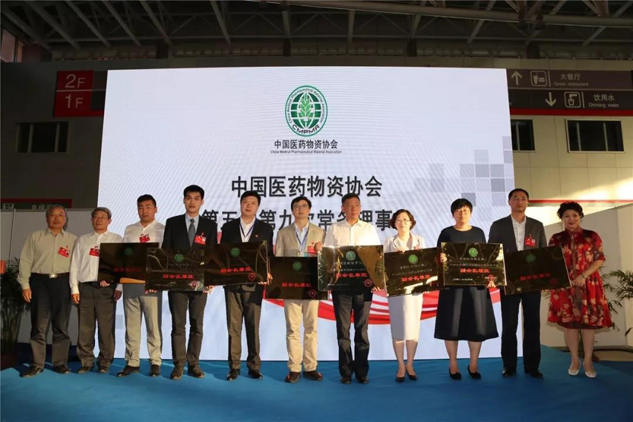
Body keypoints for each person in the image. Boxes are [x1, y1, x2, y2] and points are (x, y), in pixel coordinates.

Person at [434, 198, 498, 380]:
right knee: (451, 325)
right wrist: (441, 259)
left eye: (465, 210)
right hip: (452, 288)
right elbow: (436, 258)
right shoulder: (446, 233)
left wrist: (492, 277)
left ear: (470, 213)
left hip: (475, 288)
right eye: (458, 210)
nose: (462, 213)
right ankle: (453, 363)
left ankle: (474, 364)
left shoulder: (478, 232)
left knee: (476, 325)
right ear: (452, 214)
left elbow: (487, 259)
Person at [548, 201, 611, 379]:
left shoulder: (592, 236)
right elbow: (551, 262)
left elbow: (599, 258)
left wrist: (583, 275)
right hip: (565, 287)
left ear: (580, 217)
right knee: (571, 326)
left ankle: (588, 361)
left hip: (589, 284)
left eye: (575, 215)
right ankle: (574, 360)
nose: (571, 219)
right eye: (567, 216)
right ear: (561, 218)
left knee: (588, 326)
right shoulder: (556, 238)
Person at [323, 193, 381, 385]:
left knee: (362, 330)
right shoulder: (334, 228)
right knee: (343, 330)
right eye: (349, 205)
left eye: (357, 205)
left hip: (364, 287)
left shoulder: (369, 228)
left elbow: (375, 257)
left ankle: (362, 371)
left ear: (361, 208)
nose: (353, 208)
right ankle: (346, 372)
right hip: (341, 288)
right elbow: (329, 258)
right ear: (343, 208)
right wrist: (329, 281)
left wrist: (376, 279)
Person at [489, 188, 546, 379]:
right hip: (509, 282)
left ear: (527, 202)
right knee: (509, 324)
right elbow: (492, 254)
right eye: (515, 198)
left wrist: (543, 279)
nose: (519, 201)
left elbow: (543, 253)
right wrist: (494, 277)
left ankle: (532, 366)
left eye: (523, 198)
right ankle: (509, 366)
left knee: (532, 324)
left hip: (532, 282)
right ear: (509, 202)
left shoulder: (537, 225)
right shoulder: (498, 225)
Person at [162, 185, 217, 380]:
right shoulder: (172, 223)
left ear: (202, 201)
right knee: (178, 325)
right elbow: (166, 252)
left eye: (196, 198)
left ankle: (194, 364)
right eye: (188, 198)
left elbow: (213, 254)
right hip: (177, 283)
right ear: (183, 200)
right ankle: (178, 365)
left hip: (200, 283)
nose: (192, 202)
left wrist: (211, 278)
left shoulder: (210, 225)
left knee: (196, 325)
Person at [221, 190, 274, 381]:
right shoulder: (228, 227)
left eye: (253, 202)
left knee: (253, 326)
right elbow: (222, 254)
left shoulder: (265, 228)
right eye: (245, 202)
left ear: (258, 206)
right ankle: (234, 367)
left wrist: (267, 272)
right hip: (232, 284)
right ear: (240, 204)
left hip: (254, 285)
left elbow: (268, 255)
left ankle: (254, 366)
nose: (248, 205)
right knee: (233, 328)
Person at [18, 205, 77, 377]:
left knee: (61, 326)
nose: (56, 218)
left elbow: (77, 265)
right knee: (38, 325)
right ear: (47, 218)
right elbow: (25, 261)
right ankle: (37, 364)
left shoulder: (73, 240)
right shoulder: (34, 237)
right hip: (39, 282)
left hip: (63, 282)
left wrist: (75, 287)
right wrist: (25, 285)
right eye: (53, 215)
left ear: (65, 219)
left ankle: (60, 363)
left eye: (60, 215)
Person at [275, 196, 325, 383]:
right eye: (296, 206)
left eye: (304, 206)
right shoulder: (283, 233)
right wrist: (278, 287)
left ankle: (311, 367)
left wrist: (321, 251)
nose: (300, 209)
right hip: (291, 287)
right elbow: (278, 260)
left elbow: (326, 262)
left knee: (311, 327)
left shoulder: (320, 232)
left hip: (312, 286)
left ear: (309, 210)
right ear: (292, 211)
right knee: (292, 328)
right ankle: (294, 367)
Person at [70, 207, 123, 374]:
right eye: (96, 217)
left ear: (109, 221)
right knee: (85, 328)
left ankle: (105, 362)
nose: (99, 219)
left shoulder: (116, 239)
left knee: (106, 328)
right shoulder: (82, 240)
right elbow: (74, 265)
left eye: (103, 217)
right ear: (91, 219)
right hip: (85, 288)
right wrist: (74, 288)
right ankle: (86, 361)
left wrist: (119, 286)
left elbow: (122, 265)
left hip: (106, 289)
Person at [117, 194, 165, 378]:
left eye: (148, 207)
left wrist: (157, 281)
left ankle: (155, 361)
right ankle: (132, 361)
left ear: (155, 209)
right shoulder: (130, 229)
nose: (144, 210)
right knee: (131, 325)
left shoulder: (162, 229)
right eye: (141, 207)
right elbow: (122, 258)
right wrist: (119, 286)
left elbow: (165, 259)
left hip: (151, 285)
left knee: (153, 325)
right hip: (130, 283)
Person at [383, 209, 426, 383]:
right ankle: (401, 365)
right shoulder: (389, 242)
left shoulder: (419, 240)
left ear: (411, 222)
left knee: (413, 329)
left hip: (415, 291)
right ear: (394, 223)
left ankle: (410, 364)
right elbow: (384, 266)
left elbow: (425, 263)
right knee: (399, 328)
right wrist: (396, 258)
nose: (402, 222)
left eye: (406, 219)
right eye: (399, 220)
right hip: (397, 292)